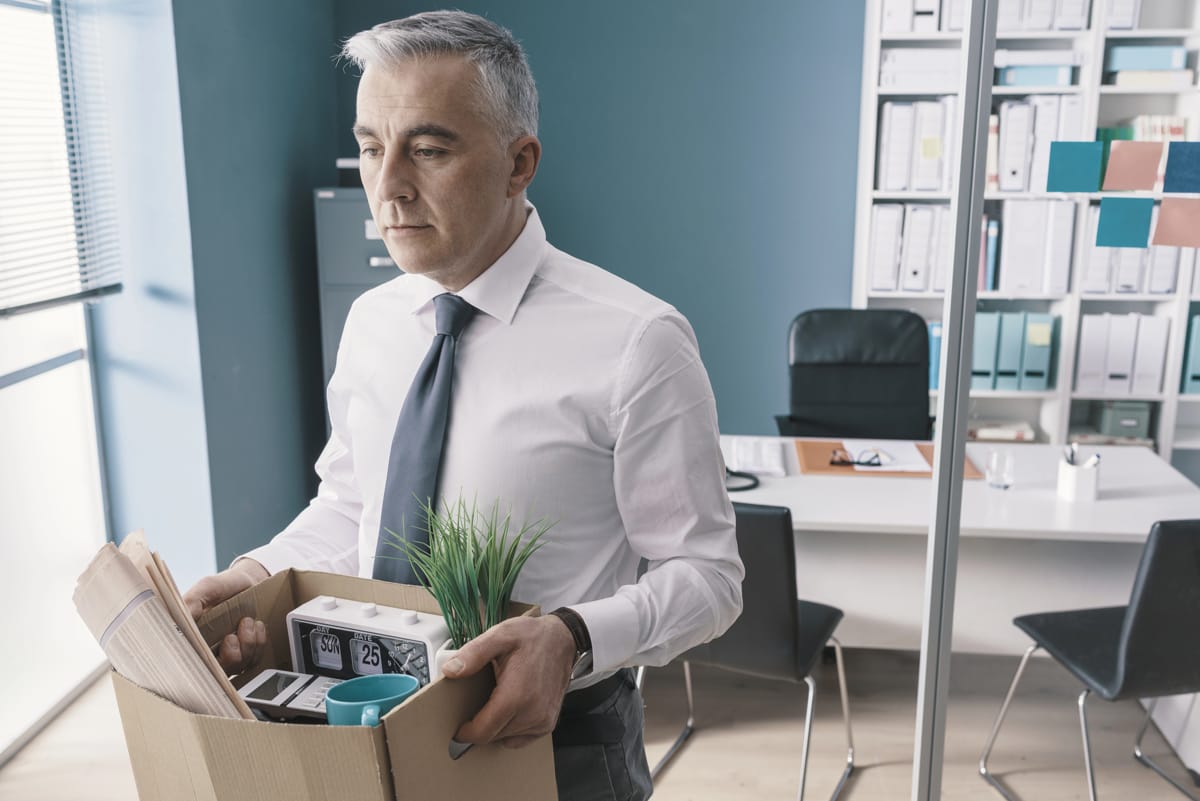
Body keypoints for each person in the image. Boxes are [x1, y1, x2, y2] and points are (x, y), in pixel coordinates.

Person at [183, 11, 742, 800]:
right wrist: (248, 576)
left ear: (520, 163)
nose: (387, 186)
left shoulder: (638, 341)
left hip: (558, 742)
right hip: (372, 712)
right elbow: (351, 509)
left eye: (429, 148)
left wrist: (573, 637)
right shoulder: (372, 323)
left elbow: (710, 576)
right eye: (372, 146)